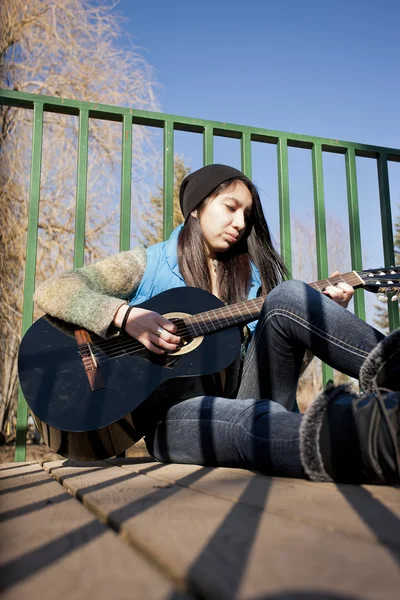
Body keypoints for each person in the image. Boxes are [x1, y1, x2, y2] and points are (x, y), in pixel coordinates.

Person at [33, 164, 400, 485]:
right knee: (248, 421)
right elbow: (54, 289)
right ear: (197, 208)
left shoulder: (251, 279)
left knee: (290, 295)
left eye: (247, 215)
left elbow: (278, 370)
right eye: (230, 208)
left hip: (248, 398)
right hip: (175, 420)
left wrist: (323, 314)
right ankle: (375, 437)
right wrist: (125, 316)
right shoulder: (147, 263)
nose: (241, 223)